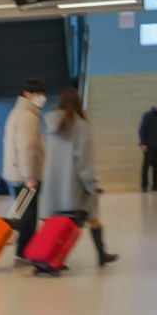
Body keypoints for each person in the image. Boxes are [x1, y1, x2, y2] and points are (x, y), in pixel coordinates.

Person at [41, 89, 118, 267]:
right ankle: (102, 255)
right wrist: (91, 183)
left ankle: (53, 257)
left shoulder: (51, 124)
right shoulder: (81, 126)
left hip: (54, 183)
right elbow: (84, 159)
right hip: (75, 183)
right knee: (93, 217)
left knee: (54, 222)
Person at [3, 78, 47, 264]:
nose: (42, 98)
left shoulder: (16, 113)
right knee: (28, 216)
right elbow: (27, 148)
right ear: (28, 94)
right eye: (39, 94)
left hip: (16, 173)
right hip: (26, 175)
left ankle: (20, 250)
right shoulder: (27, 117)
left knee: (22, 212)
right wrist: (29, 176)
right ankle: (23, 252)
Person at [138, 101, 157, 192]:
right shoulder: (148, 115)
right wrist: (143, 143)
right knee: (146, 166)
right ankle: (144, 186)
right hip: (148, 145)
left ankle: (155, 185)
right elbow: (142, 130)